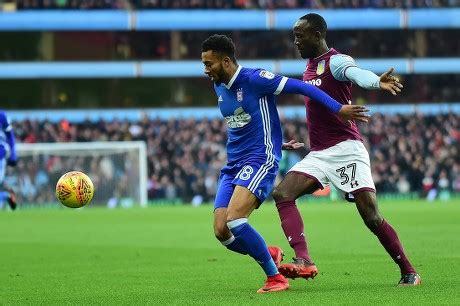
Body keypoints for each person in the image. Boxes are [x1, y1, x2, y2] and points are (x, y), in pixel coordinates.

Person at [201, 34, 370, 293]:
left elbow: (303, 87)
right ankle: (269, 253)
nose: (205, 69)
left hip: (260, 160)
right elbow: (245, 124)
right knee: (221, 231)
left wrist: (338, 108)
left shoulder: (255, 79)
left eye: (209, 63)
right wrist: (277, 140)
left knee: (236, 220)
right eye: (204, 63)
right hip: (234, 163)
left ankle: (275, 278)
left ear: (225, 61)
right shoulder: (219, 86)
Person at [272, 13, 421, 286]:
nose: (295, 41)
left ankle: (409, 270)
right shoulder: (308, 68)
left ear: (317, 35)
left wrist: (376, 81)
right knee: (282, 193)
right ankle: (304, 260)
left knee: (370, 216)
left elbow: (357, 74)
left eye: (299, 35)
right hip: (319, 153)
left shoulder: (336, 61)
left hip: (347, 149)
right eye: (294, 35)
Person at [0, 110, 17, 210]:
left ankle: (7, 196)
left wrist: (13, 155)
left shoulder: (2, 116)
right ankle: (7, 196)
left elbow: (10, 136)